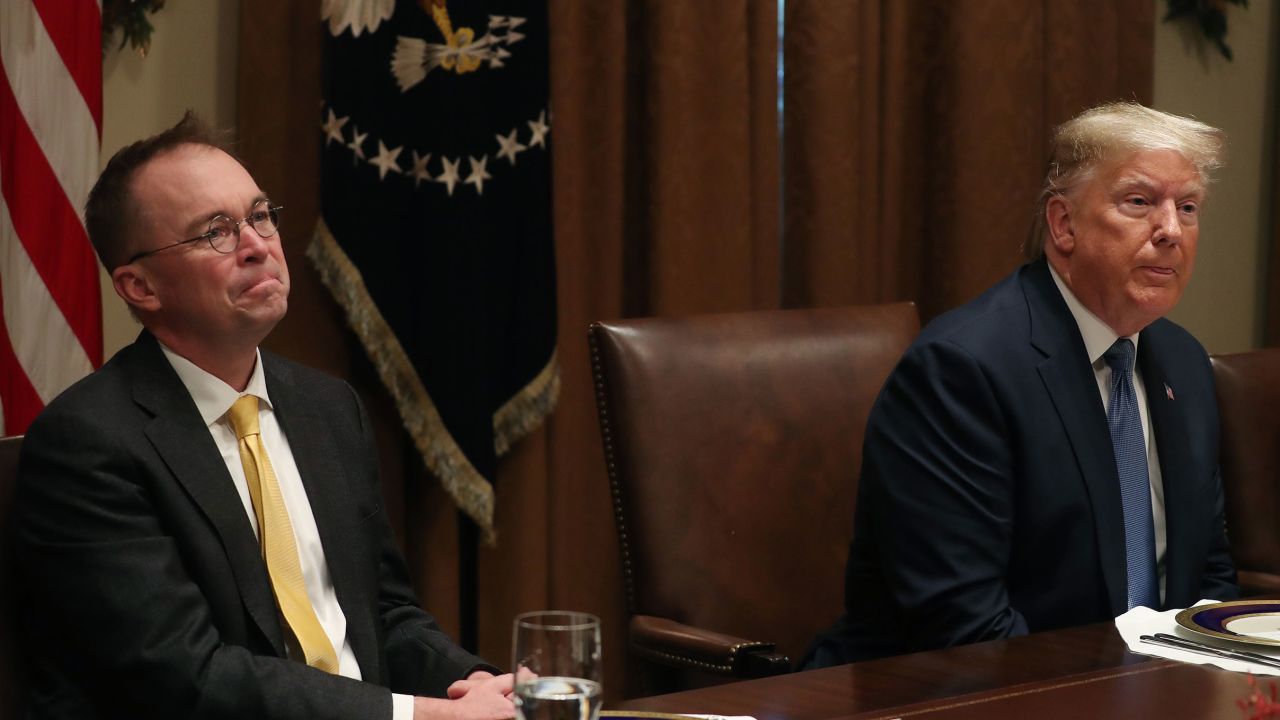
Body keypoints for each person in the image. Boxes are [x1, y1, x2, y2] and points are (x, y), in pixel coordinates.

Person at [12, 113, 516, 720]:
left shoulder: (328, 408)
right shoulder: (88, 443)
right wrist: (420, 716)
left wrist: (486, 687)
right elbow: (186, 677)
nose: (257, 244)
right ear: (139, 286)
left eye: (259, 215)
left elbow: (383, 615)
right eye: (215, 232)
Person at [805, 101, 1240, 667]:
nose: (1170, 230)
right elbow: (963, 626)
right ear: (1063, 225)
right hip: (958, 695)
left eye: (1188, 207)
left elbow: (1208, 575)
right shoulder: (961, 371)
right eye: (1139, 202)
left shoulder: (1181, 361)